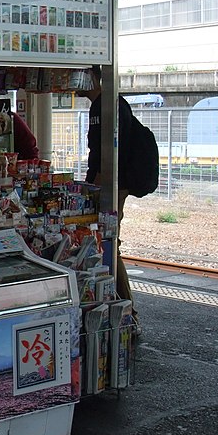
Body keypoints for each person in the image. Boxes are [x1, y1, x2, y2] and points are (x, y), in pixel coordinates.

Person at [79, 65, 136, 312]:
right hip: (113, 183)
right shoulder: (108, 103)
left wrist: (96, 189)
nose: (73, 83)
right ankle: (124, 307)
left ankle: (126, 309)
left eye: (78, 77)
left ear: (91, 77)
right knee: (109, 241)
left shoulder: (106, 105)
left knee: (109, 242)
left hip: (112, 186)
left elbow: (106, 153)